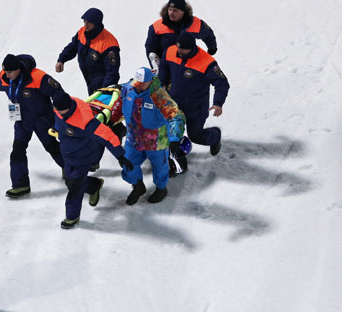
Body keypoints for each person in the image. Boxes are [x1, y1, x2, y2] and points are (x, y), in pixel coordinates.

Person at [0, 54, 65, 198]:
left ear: (18, 69)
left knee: (51, 146)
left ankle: (70, 169)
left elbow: (58, 92)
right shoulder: (4, 77)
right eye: (5, 72)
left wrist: (60, 112)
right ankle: (21, 185)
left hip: (41, 120)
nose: (7, 75)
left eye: (10, 72)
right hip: (21, 121)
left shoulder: (38, 77)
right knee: (17, 150)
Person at [52, 91, 133, 229]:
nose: (58, 112)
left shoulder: (85, 121)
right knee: (69, 180)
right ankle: (93, 185)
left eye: (61, 110)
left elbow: (106, 135)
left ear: (68, 107)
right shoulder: (61, 107)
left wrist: (120, 155)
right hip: (68, 154)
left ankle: (72, 217)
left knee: (74, 188)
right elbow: (58, 119)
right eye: (56, 110)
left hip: (83, 156)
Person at [121, 67, 186, 205]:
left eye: (142, 83)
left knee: (159, 166)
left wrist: (174, 138)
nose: (138, 85)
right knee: (127, 163)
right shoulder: (129, 88)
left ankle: (161, 188)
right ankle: (138, 186)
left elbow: (176, 116)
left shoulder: (158, 96)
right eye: (137, 81)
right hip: (134, 137)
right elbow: (121, 92)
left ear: (150, 82)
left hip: (156, 140)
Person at [159, 32, 230, 156]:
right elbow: (164, 66)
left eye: (183, 50)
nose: (179, 51)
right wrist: (162, 82)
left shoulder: (207, 62)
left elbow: (222, 83)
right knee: (170, 133)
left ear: (192, 48)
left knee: (196, 136)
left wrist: (218, 103)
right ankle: (174, 159)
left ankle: (215, 136)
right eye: (178, 47)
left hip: (196, 107)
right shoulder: (171, 51)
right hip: (174, 102)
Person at [55, 8, 121, 95]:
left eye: (89, 22)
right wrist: (61, 59)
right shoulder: (82, 32)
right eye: (84, 21)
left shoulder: (109, 44)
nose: (86, 25)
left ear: (96, 24)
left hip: (102, 84)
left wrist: (104, 91)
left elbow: (112, 72)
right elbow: (72, 47)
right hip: (90, 80)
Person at [145, 0, 217, 73]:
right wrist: (155, 65)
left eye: (175, 10)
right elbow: (150, 47)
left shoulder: (194, 24)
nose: (171, 13)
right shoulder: (157, 27)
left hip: (188, 66)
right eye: (170, 9)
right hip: (167, 65)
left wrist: (212, 48)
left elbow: (208, 34)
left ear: (183, 12)